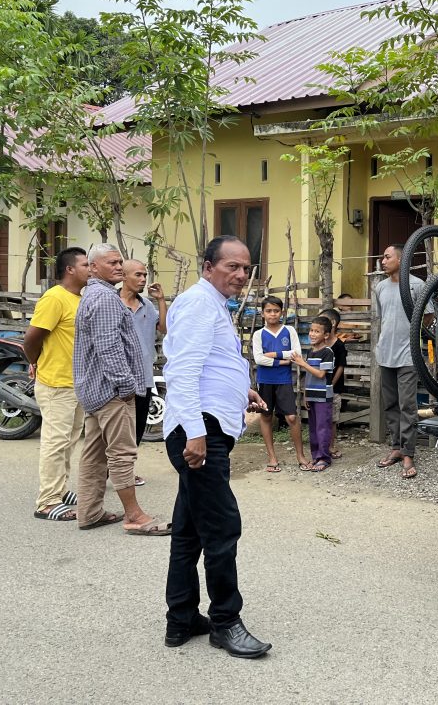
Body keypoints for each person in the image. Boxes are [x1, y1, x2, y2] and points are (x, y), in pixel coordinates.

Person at [163, 235, 272, 659]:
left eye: (246, 268)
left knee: (189, 532)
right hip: (200, 433)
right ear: (208, 266)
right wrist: (195, 433)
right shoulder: (197, 302)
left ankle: (182, 618)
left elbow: (210, 364)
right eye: (232, 266)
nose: (241, 275)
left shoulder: (213, 304)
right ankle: (226, 621)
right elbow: (183, 371)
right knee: (223, 528)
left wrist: (239, 390)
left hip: (207, 425)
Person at [73, 243, 168, 535]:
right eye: (111, 263)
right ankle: (134, 516)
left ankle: (89, 512)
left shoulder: (95, 295)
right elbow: (109, 348)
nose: (117, 266)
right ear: (93, 268)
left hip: (95, 389)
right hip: (111, 390)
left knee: (94, 453)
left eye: (119, 262)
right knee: (122, 453)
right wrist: (126, 385)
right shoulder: (104, 299)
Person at [25, 247, 89, 522]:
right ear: (70, 269)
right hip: (56, 384)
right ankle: (47, 501)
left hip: (76, 383)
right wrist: (35, 361)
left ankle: (60, 490)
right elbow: (32, 338)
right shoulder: (54, 298)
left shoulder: (79, 298)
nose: (91, 269)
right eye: (86, 264)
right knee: (55, 442)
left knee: (69, 440)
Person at [374, 244, 424, 480]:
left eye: (387, 257)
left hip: (407, 356)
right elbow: (382, 318)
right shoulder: (380, 287)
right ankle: (396, 447)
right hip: (385, 354)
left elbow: (429, 316)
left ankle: (408, 454)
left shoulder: (417, 285)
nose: (382, 261)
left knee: (407, 406)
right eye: (382, 257)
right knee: (390, 405)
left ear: (401, 260)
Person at [120, 258, 168, 484]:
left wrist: (160, 301)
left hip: (144, 378)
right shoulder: (112, 304)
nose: (142, 279)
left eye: (144, 275)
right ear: (123, 276)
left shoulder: (147, 306)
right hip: (117, 378)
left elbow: (164, 329)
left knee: (137, 428)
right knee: (114, 429)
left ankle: (126, 470)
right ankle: (107, 470)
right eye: (137, 275)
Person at [251, 296, 310, 472]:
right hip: (265, 380)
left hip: (284, 380)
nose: (272, 314)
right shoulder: (258, 334)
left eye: (276, 310)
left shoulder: (289, 330)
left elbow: (297, 354)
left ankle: (300, 455)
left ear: (281, 312)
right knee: (266, 417)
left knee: (291, 417)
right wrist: (281, 360)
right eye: (268, 311)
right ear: (262, 313)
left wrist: (271, 354)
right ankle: (272, 457)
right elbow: (258, 359)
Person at [291, 317, 335, 472]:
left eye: (317, 331)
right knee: (313, 428)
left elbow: (321, 374)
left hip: (323, 396)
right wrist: (305, 394)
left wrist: (303, 363)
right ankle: (316, 456)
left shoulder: (327, 352)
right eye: (311, 330)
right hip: (312, 395)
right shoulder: (310, 351)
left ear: (326, 335)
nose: (312, 334)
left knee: (323, 427)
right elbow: (308, 375)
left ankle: (324, 458)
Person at [320, 306, 346, 460]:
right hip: (318, 386)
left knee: (332, 419)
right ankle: (321, 445)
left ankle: (331, 445)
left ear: (333, 323)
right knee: (320, 417)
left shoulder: (339, 345)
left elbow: (340, 367)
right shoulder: (319, 344)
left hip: (333, 388)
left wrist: (330, 384)